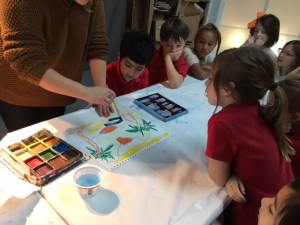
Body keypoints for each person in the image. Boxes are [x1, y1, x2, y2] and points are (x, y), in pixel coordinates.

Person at [205, 47, 294, 225]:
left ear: (228, 89)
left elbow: (217, 178)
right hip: (286, 207)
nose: (206, 82)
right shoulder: (257, 109)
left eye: (212, 77)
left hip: (256, 215)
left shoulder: (222, 123)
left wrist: (228, 176)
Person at [0, 0, 116, 133]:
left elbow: (97, 42)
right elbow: (27, 60)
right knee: (26, 143)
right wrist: (87, 93)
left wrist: (100, 90)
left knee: (52, 139)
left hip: (60, 89)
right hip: (16, 89)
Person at [106, 30, 155, 97]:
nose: (131, 73)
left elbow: (142, 96)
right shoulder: (107, 73)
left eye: (139, 69)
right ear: (119, 56)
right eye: (128, 65)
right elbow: (103, 98)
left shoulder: (144, 73)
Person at [148, 17, 190, 89]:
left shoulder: (182, 63)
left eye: (178, 46)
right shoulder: (152, 53)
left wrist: (168, 58)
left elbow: (174, 84)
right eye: (168, 45)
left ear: (184, 43)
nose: (173, 50)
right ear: (161, 41)